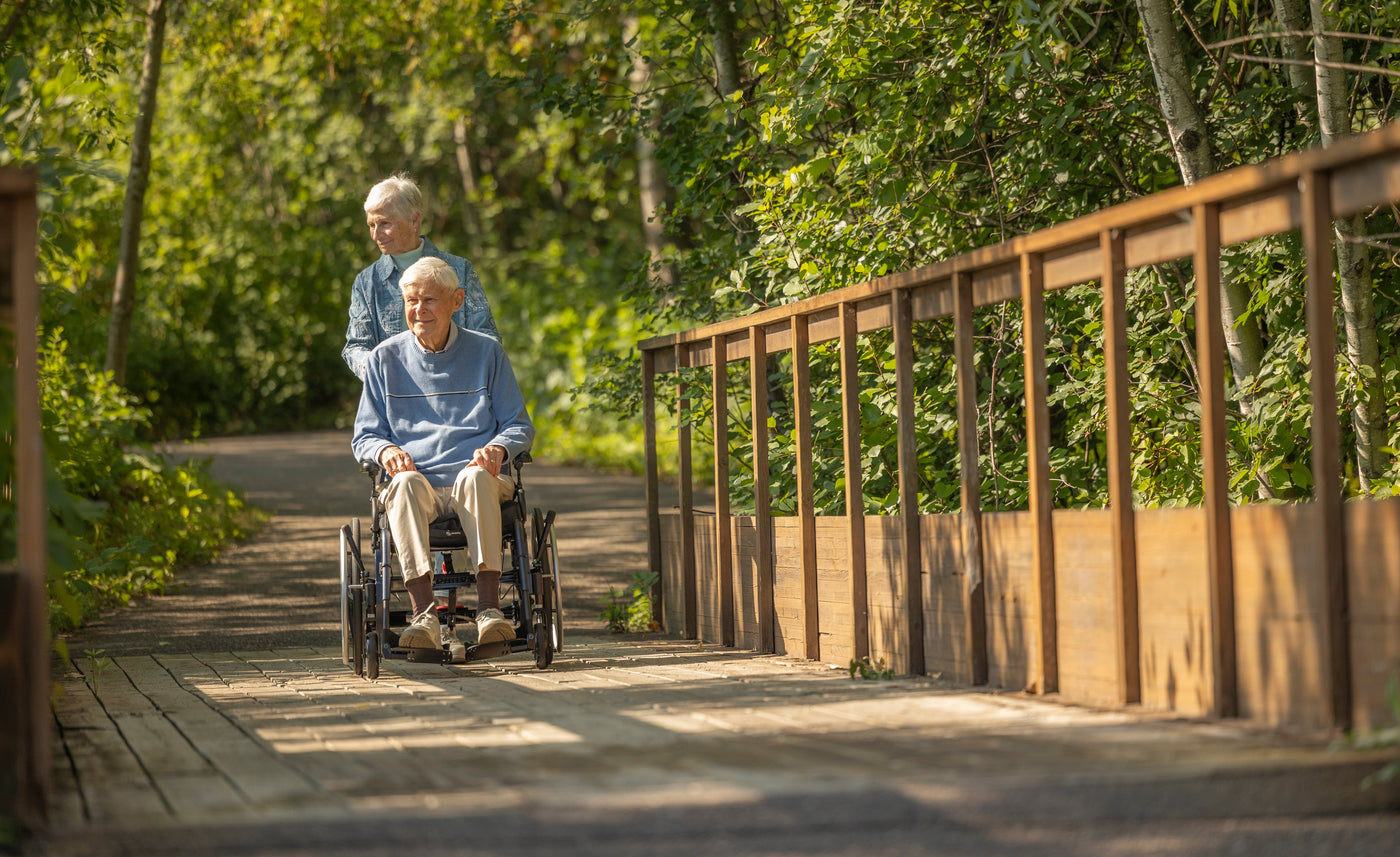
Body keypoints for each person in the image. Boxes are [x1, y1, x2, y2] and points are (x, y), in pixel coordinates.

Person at [351, 256, 533, 650]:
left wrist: (499, 447)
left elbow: (519, 424)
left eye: (429, 300)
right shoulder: (384, 359)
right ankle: (423, 617)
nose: (418, 310)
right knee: (402, 485)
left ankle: (489, 611)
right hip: (420, 485)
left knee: (473, 476)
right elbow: (364, 436)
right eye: (411, 301)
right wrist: (385, 452)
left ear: (456, 300)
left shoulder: (487, 354)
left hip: (477, 479)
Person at [342, 173, 499, 380]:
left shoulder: (460, 270)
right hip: (395, 399)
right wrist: (378, 372)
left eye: (384, 223)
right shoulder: (366, 282)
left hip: (460, 394)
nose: (375, 234)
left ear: (414, 220)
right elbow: (356, 347)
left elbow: (487, 337)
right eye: (371, 225)